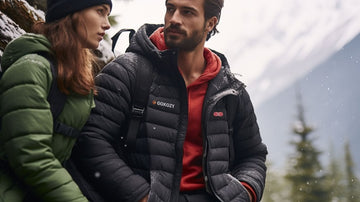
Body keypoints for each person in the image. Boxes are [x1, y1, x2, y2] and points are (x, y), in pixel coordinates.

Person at [72, 0, 268, 201]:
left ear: (210, 23)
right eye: (170, 9)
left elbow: (253, 155)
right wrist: (141, 196)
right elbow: (91, 140)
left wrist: (246, 193)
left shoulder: (230, 90)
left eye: (187, 12)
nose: (174, 19)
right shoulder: (128, 72)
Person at [0, 0, 112, 201]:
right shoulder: (32, 69)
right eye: (100, 11)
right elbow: (31, 155)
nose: (107, 24)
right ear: (71, 13)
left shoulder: (72, 75)